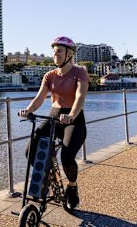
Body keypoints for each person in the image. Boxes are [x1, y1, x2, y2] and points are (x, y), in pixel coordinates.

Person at [18, 36, 89, 210]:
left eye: (59, 51)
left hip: (74, 118)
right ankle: (49, 177)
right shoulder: (49, 75)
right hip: (54, 116)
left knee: (66, 157)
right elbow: (40, 97)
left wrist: (71, 114)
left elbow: (80, 96)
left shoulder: (80, 72)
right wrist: (28, 110)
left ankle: (72, 187)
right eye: (54, 51)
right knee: (31, 150)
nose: (55, 54)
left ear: (69, 54)